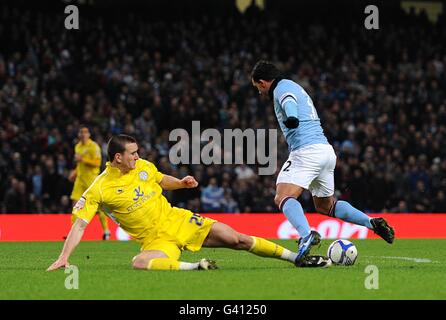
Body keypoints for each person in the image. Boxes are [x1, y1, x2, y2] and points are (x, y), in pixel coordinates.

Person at [47, 134, 331, 271]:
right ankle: (196, 266)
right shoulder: (99, 188)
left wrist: (180, 183)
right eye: (132, 154)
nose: (137, 156)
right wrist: (64, 257)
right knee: (139, 262)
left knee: (237, 239)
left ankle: (297, 258)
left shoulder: (142, 166)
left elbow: (159, 179)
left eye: (137, 152)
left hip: (179, 220)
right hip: (155, 240)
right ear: (117, 157)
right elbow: (80, 225)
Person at [250, 61, 395, 265]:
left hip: (306, 151)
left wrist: (291, 117)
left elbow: (288, 101)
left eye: (258, 88)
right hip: (325, 152)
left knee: (282, 196)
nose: (259, 93)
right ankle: (371, 223)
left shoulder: (282, 89)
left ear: (263, 82)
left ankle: (306, 235)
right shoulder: (293, 85)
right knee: (326, 205)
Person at [69, 126, 110, 240]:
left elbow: (97, 163)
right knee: (75, 205)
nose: (83, 134)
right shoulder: (77, 146)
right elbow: (79, 165)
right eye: (81, 132)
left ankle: (106, 231)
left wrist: (82, 159)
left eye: (85, 132)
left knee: (99, 207)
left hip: (91, 180)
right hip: (80, 180)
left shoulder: (94, 146)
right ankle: (73, 233)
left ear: (89, 134)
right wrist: (75, 172)